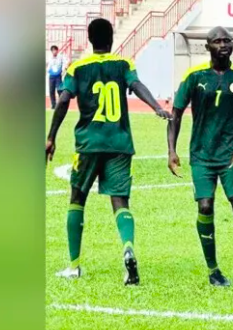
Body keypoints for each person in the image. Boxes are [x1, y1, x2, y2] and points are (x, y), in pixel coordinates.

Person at [46, 18, 171, 285]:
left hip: (89, 144)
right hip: (120, 143)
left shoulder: (78, 67)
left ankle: (75, 266)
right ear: (111, 38)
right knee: (120, 201)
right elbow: (136, 86)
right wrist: (157, 107)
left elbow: (64, 100)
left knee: (77, 198)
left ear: (90, 40)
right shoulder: (123, 64)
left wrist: (51, 137)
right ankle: (128, 247)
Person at [167, 27, 233, 289]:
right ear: (207, 46)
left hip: (230, 155)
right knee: (205, 206)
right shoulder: (194, 76)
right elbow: (175, 114)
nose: (224, 45)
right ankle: (213, 271)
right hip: (201, 155)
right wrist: (171, 150)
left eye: (227, 41)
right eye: (218, 41)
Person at [47, 45, 68, 109]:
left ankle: (61, 104)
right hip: (51, 76)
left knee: (59, 90)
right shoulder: (49, 57)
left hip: (58, 76)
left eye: (55, 50)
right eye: (52, 50)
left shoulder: (61, 57)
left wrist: (63, 69)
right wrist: (48, 70)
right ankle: (53, 105)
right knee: (51, 91)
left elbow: (65, 63)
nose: (54, 52)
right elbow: (48, 65)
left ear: (57, 50)